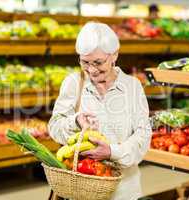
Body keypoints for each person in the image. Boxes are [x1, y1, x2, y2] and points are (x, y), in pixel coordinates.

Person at [48, 22, 152, 200]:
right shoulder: (74, 83)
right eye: (85, 62)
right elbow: (54, 127)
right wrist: (75, 121)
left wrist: (112, 152)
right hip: (81, 190)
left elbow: (143, 136)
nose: (92, 70)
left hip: (124, 191)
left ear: (114, 56)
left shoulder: (132, 86)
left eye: (98, 62)